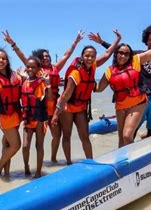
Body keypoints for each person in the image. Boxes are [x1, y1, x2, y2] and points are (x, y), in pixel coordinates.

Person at [95, 22, 151, 147]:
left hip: (140, 102)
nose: (123, 55)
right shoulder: (110, 70)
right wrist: (85, 79)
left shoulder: (136, 60)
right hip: (121, 105)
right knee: (122, 137)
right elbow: (98, 88)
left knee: (130, 135)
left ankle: (137, 157)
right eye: (120, 53)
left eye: (127, 54)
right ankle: (123, 161)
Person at [2, 30, 83, 163]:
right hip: (41, 109)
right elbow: (23, 57)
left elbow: (67, 55)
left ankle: (53, 158)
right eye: (43, 56)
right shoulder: (37, 70)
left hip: (55, 108)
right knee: (37, 141)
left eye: (48, 56)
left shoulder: (56, 67)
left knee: (57, 135)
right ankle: (33, 165)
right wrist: (12, 43)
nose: (46, 58)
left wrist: (76, 41)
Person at [51, 29, 121, 165]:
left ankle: (91, 161)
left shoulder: (93, 65)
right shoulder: (76, 73)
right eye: (87, 56)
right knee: (67, 135)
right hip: (68, 109)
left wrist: (117, 39)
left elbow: (107, 54)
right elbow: (65, 95)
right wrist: (55, 114)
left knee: (85, 136)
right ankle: (69, 163)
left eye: (92, 56)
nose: (89, 58)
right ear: (82, 57)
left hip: (81, 108)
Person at [19, 56, 51, 178]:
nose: (30, 68)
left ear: (38, 68)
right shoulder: (24, 82)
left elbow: (50, 99)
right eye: (28, 66)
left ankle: (38, 172)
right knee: (25, 146)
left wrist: (48, 83)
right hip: (27, 118)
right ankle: (26, 166)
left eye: (33, 67)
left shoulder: (42, 82)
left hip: (39, 118)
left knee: (39, 145)